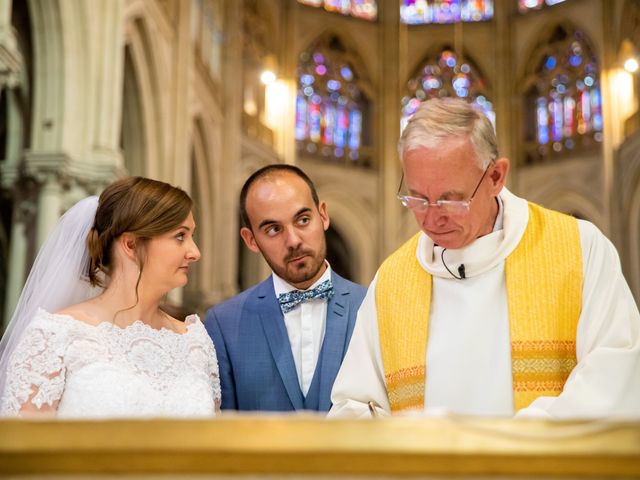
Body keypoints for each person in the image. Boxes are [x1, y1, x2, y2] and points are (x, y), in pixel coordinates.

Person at [329, 97, 640, 419]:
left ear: (495, 177)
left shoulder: (579, 248)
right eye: (418, 198)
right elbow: (352, 406)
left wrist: (510, 447)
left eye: (452, 200)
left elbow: (617, 374)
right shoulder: (393, 279)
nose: (432, 219)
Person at [0, 177, 221, 418]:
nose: (195, 252)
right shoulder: (57, 334)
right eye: (180, 236)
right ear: (131, 244)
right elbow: (24, 445)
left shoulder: (195, 340)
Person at [205, 165, 366, 412]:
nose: (293, 241)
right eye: (273, 229)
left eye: (303, 220)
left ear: (323, 215)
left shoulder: (371, 306)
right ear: (250, 240)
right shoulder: (224, 324)